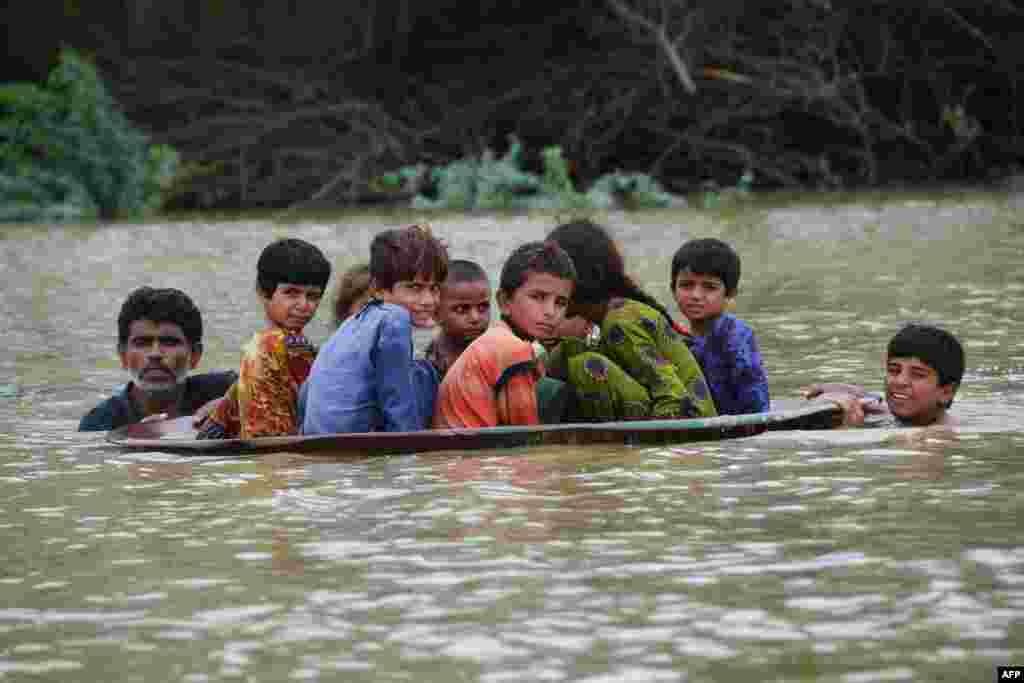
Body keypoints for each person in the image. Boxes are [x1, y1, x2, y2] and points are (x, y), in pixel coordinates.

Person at [542, 219, 717, 421]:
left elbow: (673, 399)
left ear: (581, 280)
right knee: (569, 353)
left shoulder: (621, 322)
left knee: (585, 364)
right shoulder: (608, 319)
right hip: (669, 414)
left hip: (688, 421)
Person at [301, 224, 448, 434]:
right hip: (353, 446)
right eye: (414, 288)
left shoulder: (347, 328)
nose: (428, 300)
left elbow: (307, 392)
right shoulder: (395, 318)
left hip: (318, 442)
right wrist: (413, 456)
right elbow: (398, 403)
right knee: (424, 374)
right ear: (379, 289)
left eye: (434, 288)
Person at [433, 241, 576, 428]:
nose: (550, 312)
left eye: (560, 302)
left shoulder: (496, 339)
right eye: (538, 297)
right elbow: (526, 437)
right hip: (469, 454)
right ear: (504, 302)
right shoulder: (511, 350)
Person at [197, 238, 330, 438]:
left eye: (312, 296)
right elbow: (266, 443)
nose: (304, 305)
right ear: (262, 292)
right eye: (291, 293)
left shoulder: (310, 352)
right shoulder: (265, 347)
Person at [79, 287, 236, 431]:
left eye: (169, 342)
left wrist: (232, 405)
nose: (155, 354)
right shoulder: (98, 424)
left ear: (195, 355)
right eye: (142, 343)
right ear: (123, 355)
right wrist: (138, 438)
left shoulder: (227, 390)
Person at [670, 237, 770, 414]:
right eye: (686, 285)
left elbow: (756, 401)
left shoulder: (735, 335)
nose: (696, 295)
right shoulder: (675, 338)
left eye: (709, 287)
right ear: (673, 289)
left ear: (730, 294)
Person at [804, 324, 965, 427]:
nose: (900, 381)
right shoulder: (907, 417)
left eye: (917, 375)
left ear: (946, 392)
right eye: (894, 370)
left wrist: (849, 430)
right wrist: (826, 389)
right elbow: (875, 402)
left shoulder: (937, 439)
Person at [425, 259, 492, 378]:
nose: (475, 318)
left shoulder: (495, 353)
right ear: (435, 313)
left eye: (483, 307)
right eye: (462, 309)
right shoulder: (431, 367)